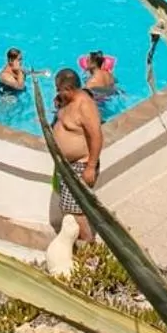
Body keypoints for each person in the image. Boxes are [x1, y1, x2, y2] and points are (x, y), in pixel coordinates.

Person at [50, 68, 104, 241]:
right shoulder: (67, 101)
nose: (58, 93)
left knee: (76, 211)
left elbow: (96, 136)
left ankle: (90, 251)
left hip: (81, 164)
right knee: (70, 209)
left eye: (60, 89)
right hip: (67, 165)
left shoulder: (85, 105)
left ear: (69, 89)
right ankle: (79, 246)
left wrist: (90, 167)